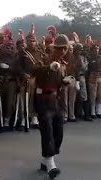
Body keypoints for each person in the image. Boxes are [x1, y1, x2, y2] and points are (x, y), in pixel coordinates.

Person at [33, 34, 71, 179]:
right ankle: (50, 165)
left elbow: (60, 81)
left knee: (58, 133)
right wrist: (48, 67)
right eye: (60, 48)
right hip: (43, 99)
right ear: (54, 48)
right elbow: (34, 70)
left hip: (57, 100)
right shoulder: (45, 58)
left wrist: (65, 81)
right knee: (47, 131)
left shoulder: (62, 63)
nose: (62, 51)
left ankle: (45, 160)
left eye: (65, 48)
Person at [88, 44, 101, 119]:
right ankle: (92, 112)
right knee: (93, 95)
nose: (96, 50)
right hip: (93, 76)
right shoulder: (89, 58)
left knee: (100, 95)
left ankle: (99, 111)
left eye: (97, 49)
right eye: (95, 49)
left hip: (100, 76)